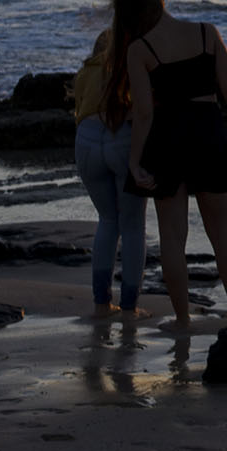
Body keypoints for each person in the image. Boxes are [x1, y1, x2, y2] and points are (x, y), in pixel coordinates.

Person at [108, 0, 227, 328]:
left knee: (172, 238)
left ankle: (183, 319)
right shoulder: (207, 33)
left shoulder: (139, 49)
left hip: (167, 135)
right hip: (208, 130)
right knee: (223, 233)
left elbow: (143, 112)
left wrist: (134, 159)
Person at [72, 28, 148, 318]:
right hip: (121, 138)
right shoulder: (129, 69)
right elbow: (141, 110)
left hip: (86, 141)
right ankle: (129, 305)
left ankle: (101, 302)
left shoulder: (85, 73)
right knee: (132, 226)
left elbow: (79, 112)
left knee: (107, 220)